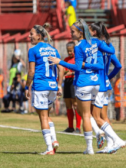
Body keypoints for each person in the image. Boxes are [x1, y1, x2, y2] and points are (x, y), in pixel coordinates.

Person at [49, 19, 123, 154]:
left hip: (84, 83)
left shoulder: (79, 47)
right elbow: (107, 56)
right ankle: (115, 140)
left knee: (86, 115)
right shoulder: (97, 42)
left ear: (80, 32)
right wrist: (105, 41)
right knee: (97, 116)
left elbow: (77, 67)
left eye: (73, 31)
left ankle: (90, 148)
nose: (71, 34)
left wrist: (60, 62)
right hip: (97, 83)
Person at [25, 25, 64, 155]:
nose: (29, 36)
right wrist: (59, 85)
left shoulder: (33, 50)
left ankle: (49, 148)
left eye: (31, 34)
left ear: (39, 36)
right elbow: (61, 68)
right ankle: (54, 141)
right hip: (52, 86)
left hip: (41, 86)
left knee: (42, 118)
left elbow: (31, 71)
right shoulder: (53, 50)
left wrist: (27, 86)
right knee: (46, 115)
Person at [88, 22, 124, 153]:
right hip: (105, 83)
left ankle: (113, 140)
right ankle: (111, 144)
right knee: (103, 115)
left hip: (96, 83)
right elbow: (118, 66)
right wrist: (108, 77)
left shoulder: (94, 45)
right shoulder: (108, 46)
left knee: (91, 114)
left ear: (94, 32)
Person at [62, 41, 82, 133]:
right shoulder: (66, 60)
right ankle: (70, 127)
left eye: (71, 50)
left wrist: (72, 73)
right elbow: (63, 70)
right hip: (67, 82)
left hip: (74, 82)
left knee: (75, 104)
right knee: (68, 104)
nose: (69, 52)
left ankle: (78, 127)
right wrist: (62, 74)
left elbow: (80, 70)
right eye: (68, 51)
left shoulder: (77, 59)